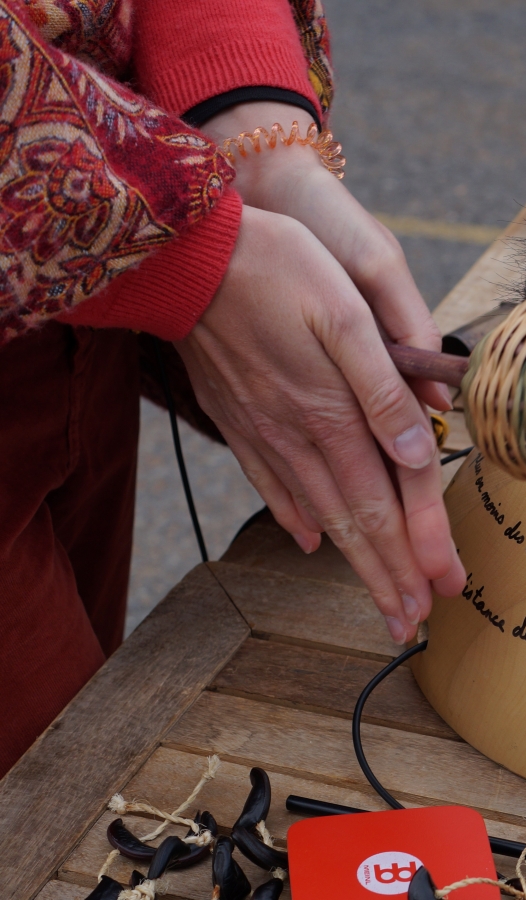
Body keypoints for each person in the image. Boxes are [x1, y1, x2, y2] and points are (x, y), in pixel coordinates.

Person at [0, 0, 463, 777]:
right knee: (63, 801)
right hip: (96, 222)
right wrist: (184, 249)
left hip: (91, 297)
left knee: (95, 741)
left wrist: (251, 129)